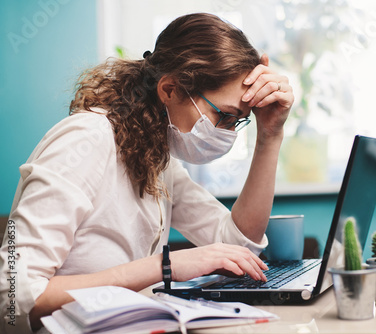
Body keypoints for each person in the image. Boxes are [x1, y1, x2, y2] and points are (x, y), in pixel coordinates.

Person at [0, 13, 293, 333]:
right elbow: (12, 295)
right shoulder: (85, 140)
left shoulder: (154, 152)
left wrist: (270, 135)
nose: (227, 131)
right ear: (169, 89)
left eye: (237, 121)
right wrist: (164, 267)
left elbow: (239, 247)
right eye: (223, 115)